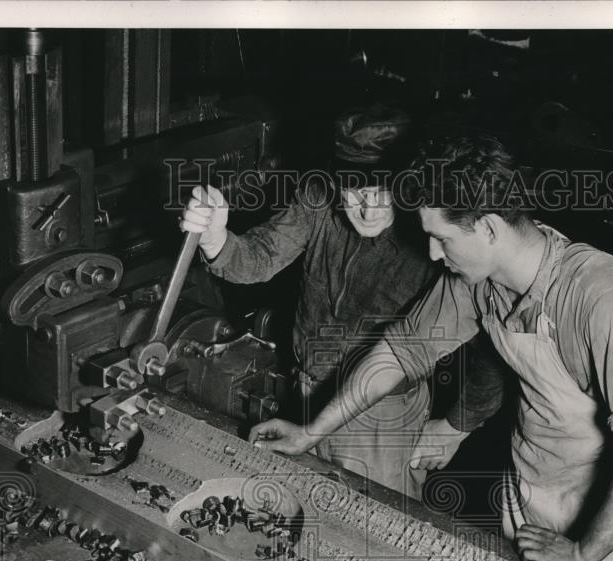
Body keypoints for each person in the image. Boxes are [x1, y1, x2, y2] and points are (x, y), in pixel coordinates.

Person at [248, 134, 613, 561]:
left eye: (441, 238)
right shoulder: (481, 280)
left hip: (599, 509)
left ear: (489, 228)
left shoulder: (598, 292)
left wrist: (581, 553)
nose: (433, 254)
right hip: (529, 479)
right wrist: (313, 431)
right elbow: (400, 351)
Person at [180, 106, 502, 499]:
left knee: (370, 534)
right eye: (352, 192)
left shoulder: (437, 238)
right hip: (304, 395)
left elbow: (491, 340)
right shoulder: (318, 197)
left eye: (379, 193)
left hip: (381, 420)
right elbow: (260, 256)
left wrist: (457, 425)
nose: (365, 210)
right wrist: (216, 239)